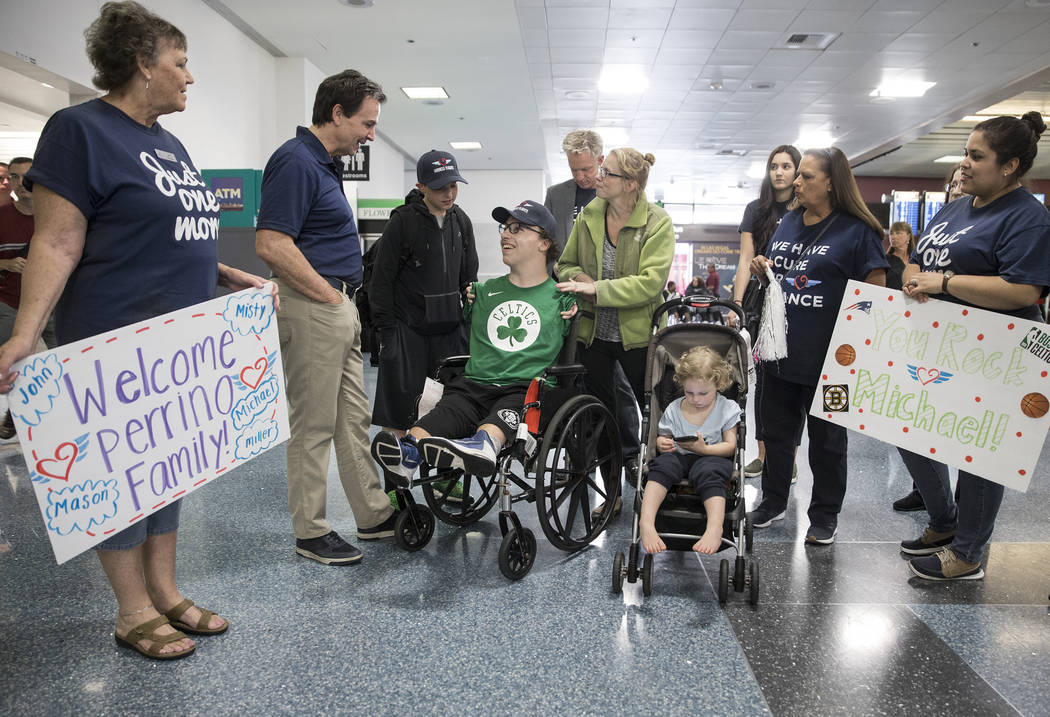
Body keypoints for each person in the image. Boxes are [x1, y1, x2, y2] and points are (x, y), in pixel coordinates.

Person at [0, 1, 273, 660]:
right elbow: (59, 240)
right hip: (114, 336)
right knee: (119, 477)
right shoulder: (79, 130)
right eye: (180, 62)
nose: (189, 77)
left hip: (179, 339)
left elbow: (167, 233)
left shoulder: (168, 143)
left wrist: (221, 272)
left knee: (168, 468)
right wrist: (25, 333)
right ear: (141, 63)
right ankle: (130, 610)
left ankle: (166, 589)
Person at [899, 112, 1050, 580]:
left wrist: (943, 282)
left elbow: (1023, 290)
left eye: (975, 156)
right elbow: (920, 261)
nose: (964, 164)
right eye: (965, 152)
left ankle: (968, 554)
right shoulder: (957, 207)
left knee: (981, 452)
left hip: (999, 350)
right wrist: (914, 280)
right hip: (943, 344)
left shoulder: (1028, 217)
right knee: (911, 430)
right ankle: (944, 522)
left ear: (1010, 166)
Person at [255, 69, 395, 566]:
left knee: (352, 418)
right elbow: (272, 243)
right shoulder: (294, 161)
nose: (370, 135)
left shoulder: (325, 163)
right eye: (367, 123)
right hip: (316, 306)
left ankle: (373, 513)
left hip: (338, 304)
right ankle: (311, 531)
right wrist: (329, 297)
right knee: (314, 424)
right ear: (337, 113)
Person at [371, 200, 576, 481]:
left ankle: (483, 445)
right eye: (505, 228)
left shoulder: (562, 298)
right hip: (475, 385)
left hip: (524, 390)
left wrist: (576, 303)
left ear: (544, 243)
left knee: (506, 412)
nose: (505, 234)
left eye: (517, 229)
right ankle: (409, 451)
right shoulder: (482, 292)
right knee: (443, 413)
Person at [747, 147, 888, 545]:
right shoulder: (789, 222)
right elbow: (782, 278)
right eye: (799, 175)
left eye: (806, 176)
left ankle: (824, 515)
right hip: (780, 352)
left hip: (833, 360)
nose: (797, 182)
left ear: (830, 183)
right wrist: (762, 271)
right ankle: (772, 502)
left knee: (827, 444)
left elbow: (877, 296)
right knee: (776, 436)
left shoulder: (857, 232)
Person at [555, 148, 674, 518]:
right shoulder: (590, 214)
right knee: (600, 417)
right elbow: (565, 264)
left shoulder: (657, 222)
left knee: (656, 419)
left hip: (641, 338)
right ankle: (612, 495)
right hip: (594, 336)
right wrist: (579, 278)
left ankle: (660, 495)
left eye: (607, 173)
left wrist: (598, 290)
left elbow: (651, 284)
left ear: (631, 184)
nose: (598, 178)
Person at [545, 130, 641, 494]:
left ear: (601, 161)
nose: (581, 176)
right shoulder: (557, 195)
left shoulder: (616, 195)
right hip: (573, 303)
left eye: (586, 168)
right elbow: (552, 247)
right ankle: (581, 454)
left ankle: (629, 453)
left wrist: (599, 285)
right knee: (581, 382)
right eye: (574, 169)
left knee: (622, 388)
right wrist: (568, 273)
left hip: (616, 307)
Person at [369, 149, 477, 445]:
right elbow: (381, 282)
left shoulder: (461, 222)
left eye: (453, 186)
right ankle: (394, 484)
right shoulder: (402, 222)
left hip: (450, 333)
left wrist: (469, 315)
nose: (449, 193)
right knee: (397, 413)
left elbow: (469, 278)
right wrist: (388, 334)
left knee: (448, 409)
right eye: (440, 187)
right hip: (406, 332)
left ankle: (444, 479)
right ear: (421, 187)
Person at [731, 145, 802, 481]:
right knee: (762, 380)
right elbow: (746, 259)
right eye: (774, 165)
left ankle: (789, 456)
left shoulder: (806, 209)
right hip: (760, 300)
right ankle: (763, 453)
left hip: (797, 299)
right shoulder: (755, 210)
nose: (779, 172)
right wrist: (736, 305)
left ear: (797, 171)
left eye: (786, 166)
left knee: (793, 377)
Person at [641, 347, 738, 556]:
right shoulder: (675, 409)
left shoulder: (727, 408)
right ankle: (646, 522)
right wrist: (661, 443)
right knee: (661, 466)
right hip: (678, 456)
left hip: (713, 457)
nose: (695, 399)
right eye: (689, 392)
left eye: (703, 393)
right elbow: (663, 437)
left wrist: (705, 449)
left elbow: (731, 445)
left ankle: (714, 527)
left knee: (709, 473)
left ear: (718, 385)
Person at [0, 157, 57, 440]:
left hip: (53, 305)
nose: (20, 183)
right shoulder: (2, 216)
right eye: (14, 176)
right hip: (10, 302)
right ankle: (21, 419)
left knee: (65, 361)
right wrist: (6, 265)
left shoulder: (58, 216)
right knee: (26, 364)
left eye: (26, 176)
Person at [884, 220, 926, 513]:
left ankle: (932, 493)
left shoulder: (925, 256)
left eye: (901, 232)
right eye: (893, 232)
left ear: (910, 236)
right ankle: (922, 490)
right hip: (900, 334)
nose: (896, 236)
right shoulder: (885, 263)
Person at [885, 221, 915, 291]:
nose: (893, 237)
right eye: (891, 233)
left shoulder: (916, 260)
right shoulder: (885, 260)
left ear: (909, 236)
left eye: (898, 233)